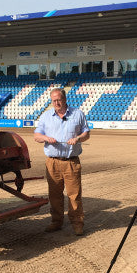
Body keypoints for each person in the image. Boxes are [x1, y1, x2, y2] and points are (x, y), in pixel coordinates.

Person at [34, 88, 90, 235]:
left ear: (65, 99)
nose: (56, 103)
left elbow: (86, 133)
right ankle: (56, 221)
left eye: (59, 100)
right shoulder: (46, 116)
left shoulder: (78, 114)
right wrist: (46, 138)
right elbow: (37, 135)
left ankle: (77, 223)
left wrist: (78, 138)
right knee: (54, 194)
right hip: (52, 162)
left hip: (71, 162)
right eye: (54, 100)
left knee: (74, 194)